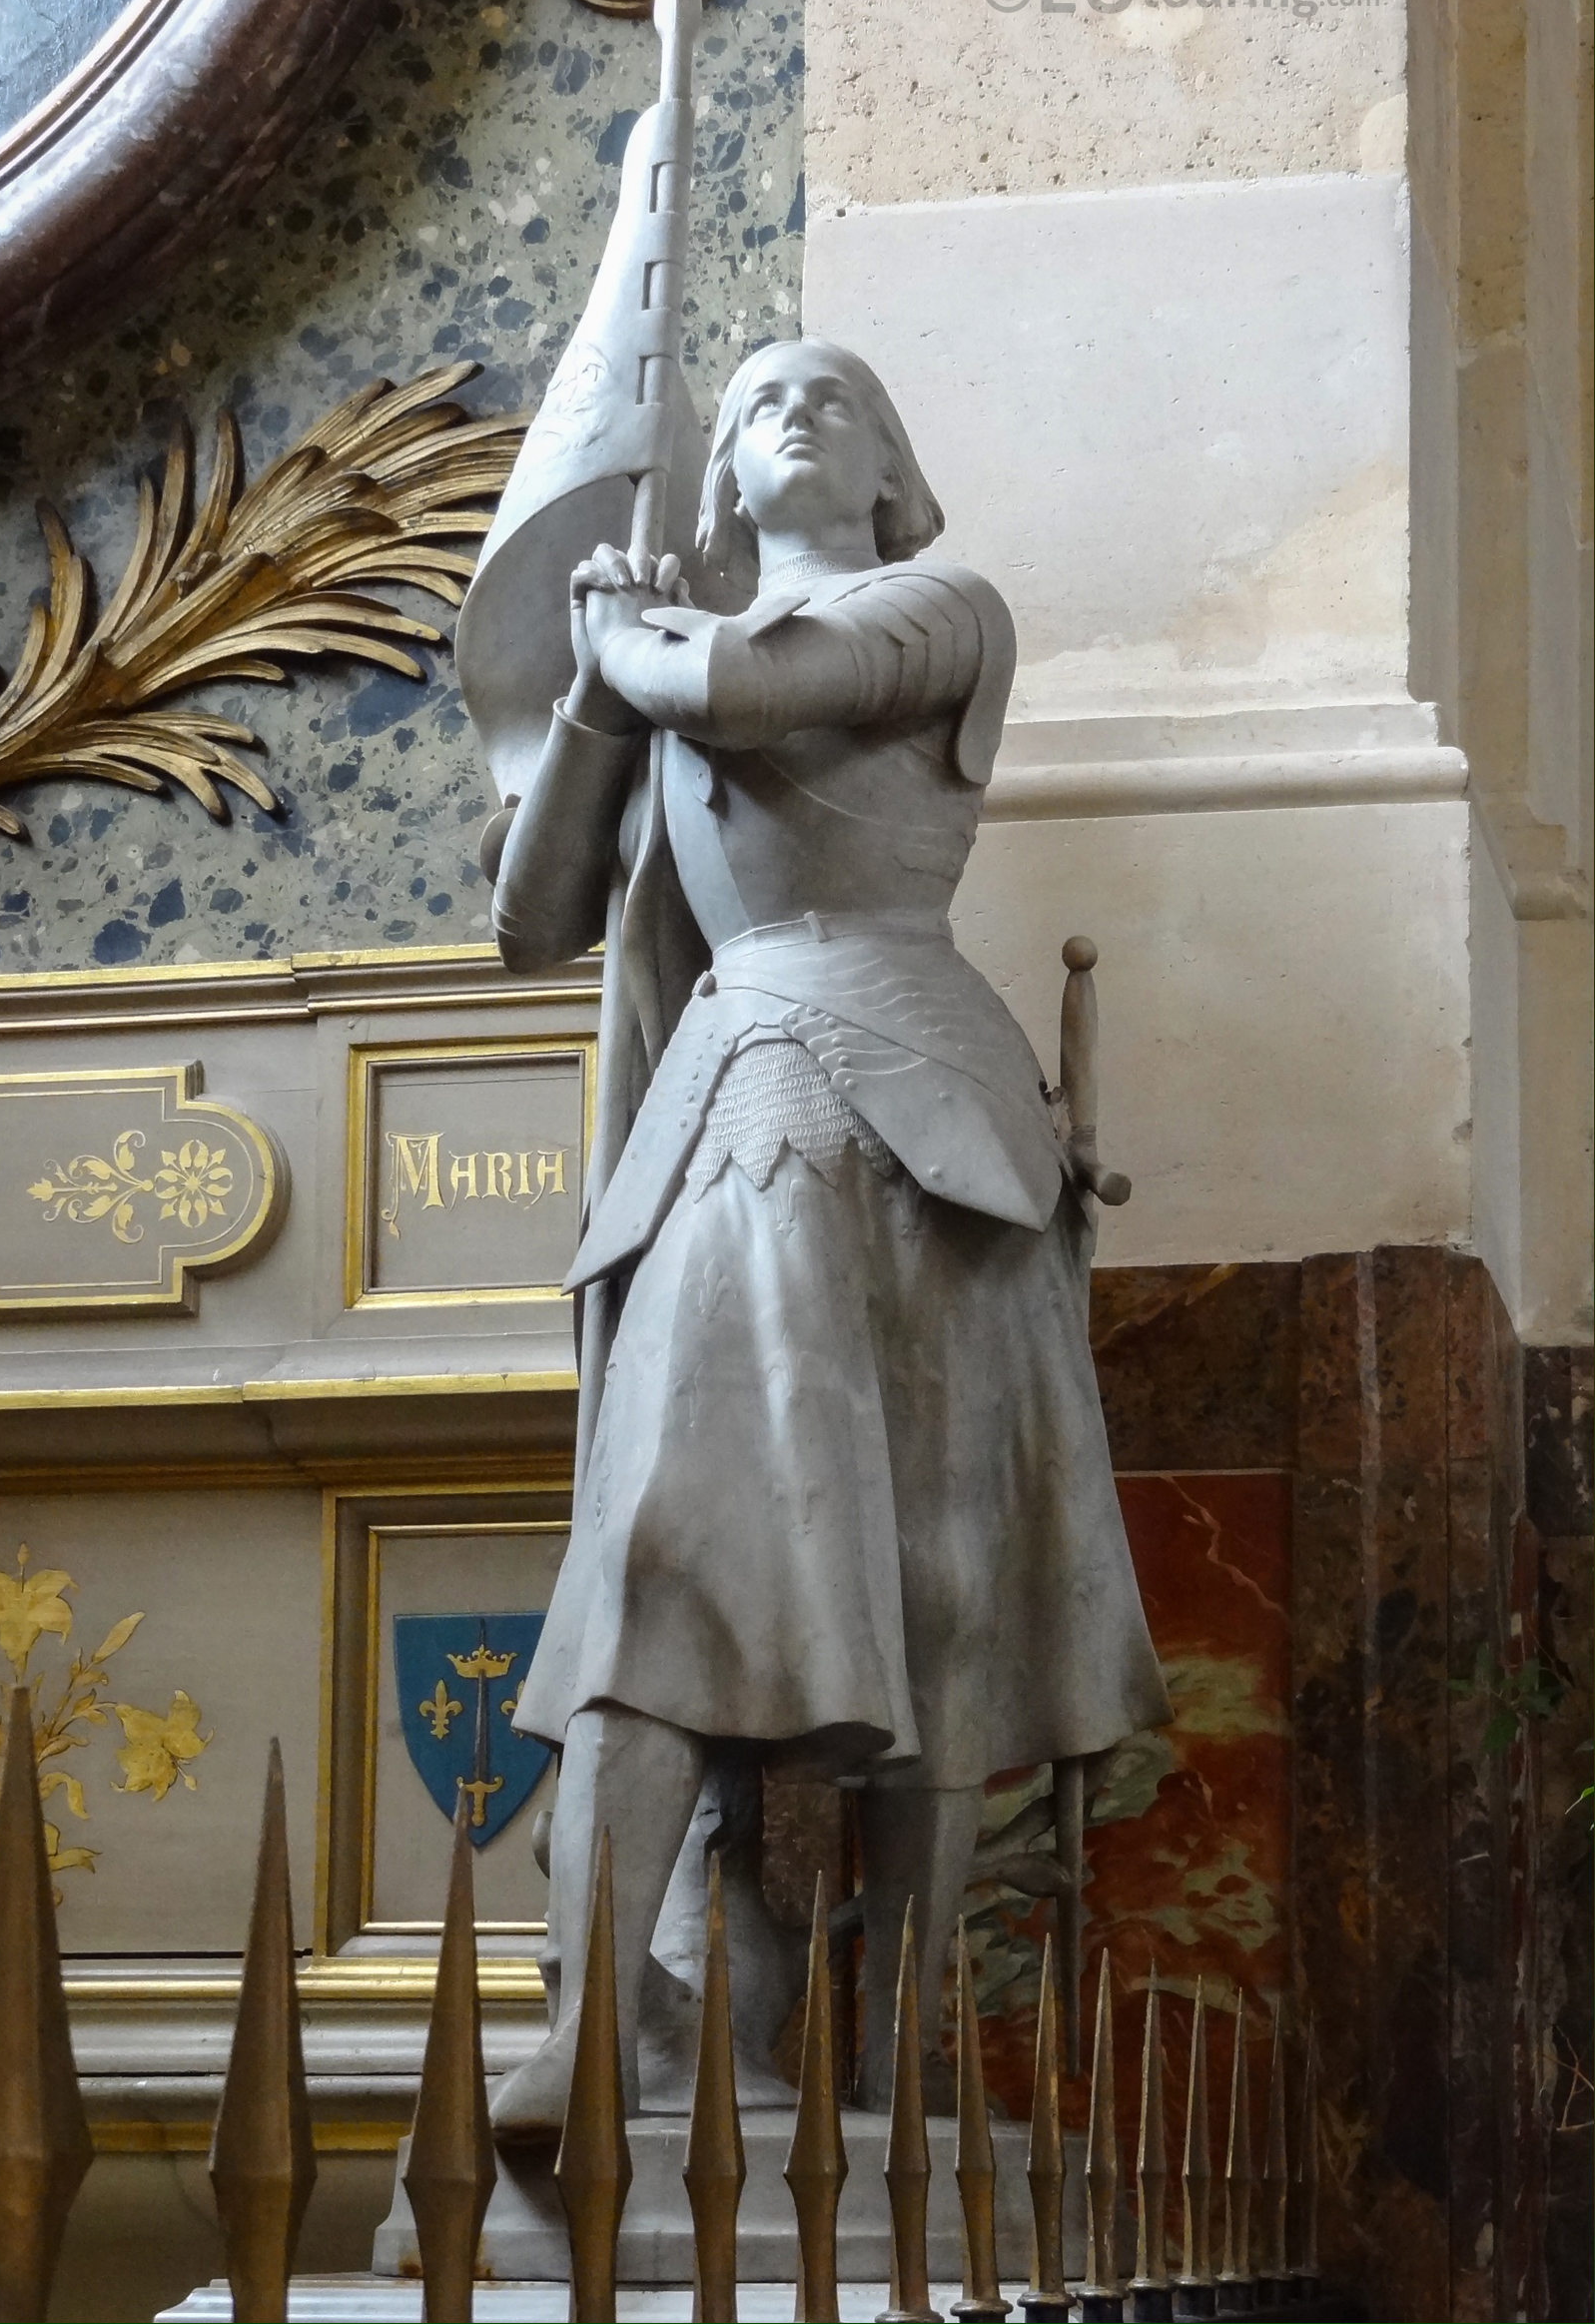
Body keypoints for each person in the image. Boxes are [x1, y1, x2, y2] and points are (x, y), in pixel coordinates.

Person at [486, 337, 1170, 2134]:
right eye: (758, 405)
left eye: (838, 399)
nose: (792, 412)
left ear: (892, 468)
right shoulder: (666, 663)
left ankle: (910, 2050)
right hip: (732, 1103)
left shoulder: (940, 605)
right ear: (715, 483)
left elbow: (760, 683)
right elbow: (533, 913)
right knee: (661, 1549)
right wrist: (589, 688)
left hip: (922, 1106)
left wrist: (630, 640)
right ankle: (598, 2030)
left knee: (951, 1582)